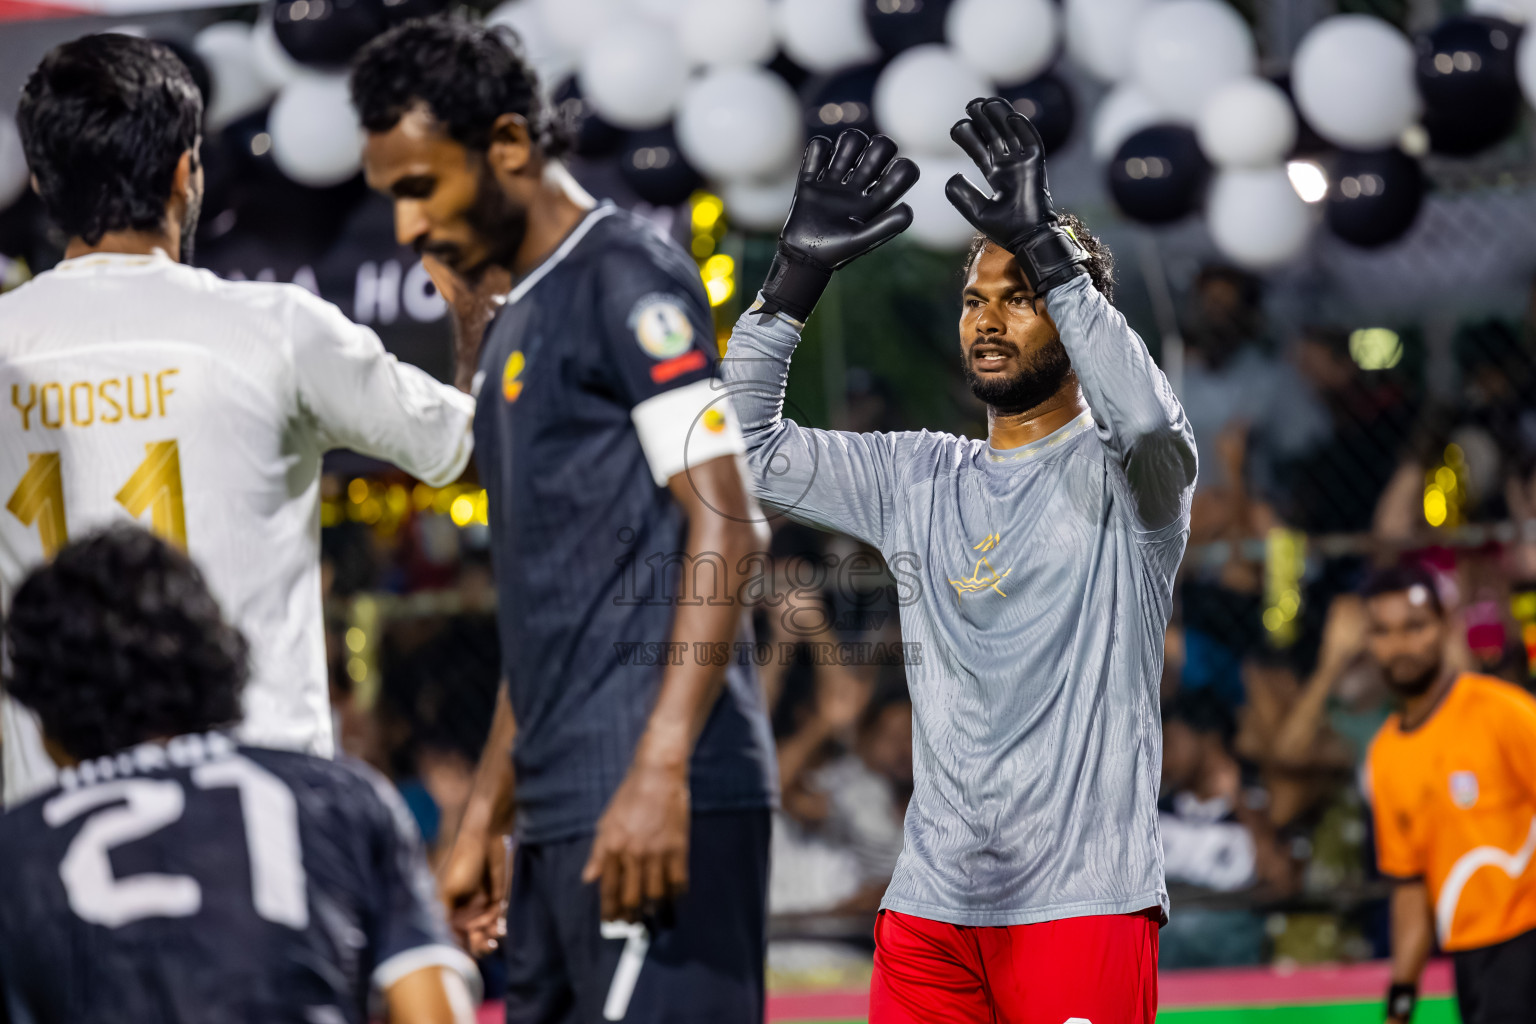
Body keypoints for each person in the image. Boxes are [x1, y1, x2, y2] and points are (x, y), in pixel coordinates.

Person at [723, 99, 1196, 1022]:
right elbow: (736, 448)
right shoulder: (916, 475)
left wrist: (1049, 252)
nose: (986, 318)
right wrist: (789, 286)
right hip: (930, 908)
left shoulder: (1129, 481)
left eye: (1016, 297)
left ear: (1069, 313)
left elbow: (1143, 417)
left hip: (1080, 899)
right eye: (975, 298)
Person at [351, 17, 776, 1023]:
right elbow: (553, 617)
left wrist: (662, 769)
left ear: (506, 146)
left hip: (661, 802)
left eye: (421, 188)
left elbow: (730, 521)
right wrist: (483, 817)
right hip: (557, 820)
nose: (408, 228)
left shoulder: (629, 276)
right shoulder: (517, 319)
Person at [0, 34, 476, 805]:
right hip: (260, 816)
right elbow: (472, 448)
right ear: (187, 171)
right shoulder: (276, 328)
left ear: (44, 184)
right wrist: (480, 323)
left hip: (57, 824)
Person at [0, 526, 480, 1024]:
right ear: (216, 655)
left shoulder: (16, 848)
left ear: (44, 715)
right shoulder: (339, 795)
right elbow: (434, 1012)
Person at [1360, 564, 1536, 1024]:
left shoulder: (1502, 712)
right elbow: (1410, 889)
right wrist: (1400, 1004)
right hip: (1470, 962)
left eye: (1414, 627)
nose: (1400, 645)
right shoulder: (1385, 756)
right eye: (1384, 631)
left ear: (1444, 627)